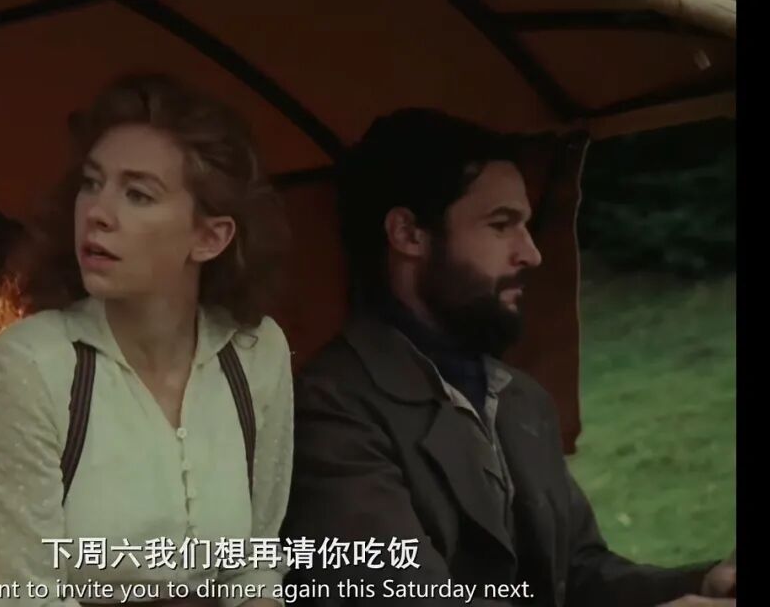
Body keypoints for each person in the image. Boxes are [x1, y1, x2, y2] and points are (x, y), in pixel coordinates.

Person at [279, 108, 736, 607]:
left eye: (526, 225)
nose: (531, 253)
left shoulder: (519, 397)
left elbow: (578, 573)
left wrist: (701, 585)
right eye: (501, 225)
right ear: (408, 234)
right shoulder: (331, 409)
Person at [0, 74, 295, 607]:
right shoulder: (30, 366)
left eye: (138, 194)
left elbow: (254, 568)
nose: (97, 213)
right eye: (92, 183)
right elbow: (24, 598)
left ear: (209, 237)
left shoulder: (255, 353)